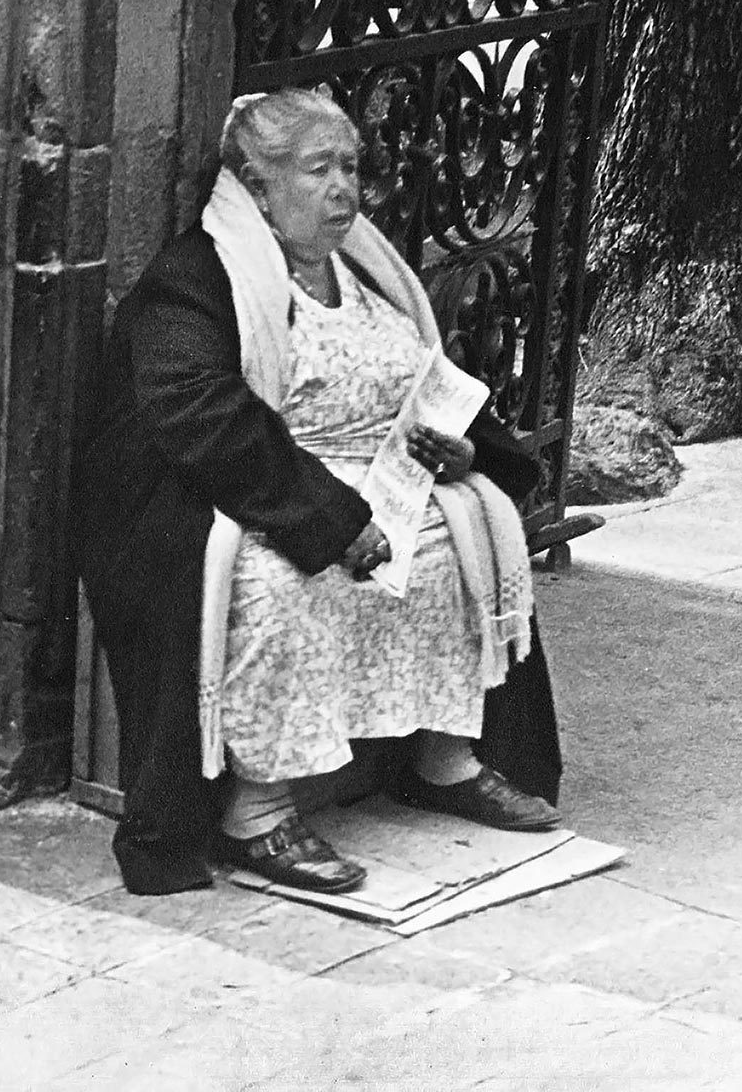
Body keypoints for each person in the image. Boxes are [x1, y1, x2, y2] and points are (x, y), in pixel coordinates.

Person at [72, 87, 563, 897]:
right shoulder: (194, 280)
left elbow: (434, 375)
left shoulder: (368, 268)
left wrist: (467, 450)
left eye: (351, 167)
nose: (345, 189)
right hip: (257, 496)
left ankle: (444, 759)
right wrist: (332, 521)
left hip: (382, 485)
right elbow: (203, 417)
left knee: (460, 544)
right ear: (256, 187)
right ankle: (257, 814)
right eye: (318, 169)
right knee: (284, 583)